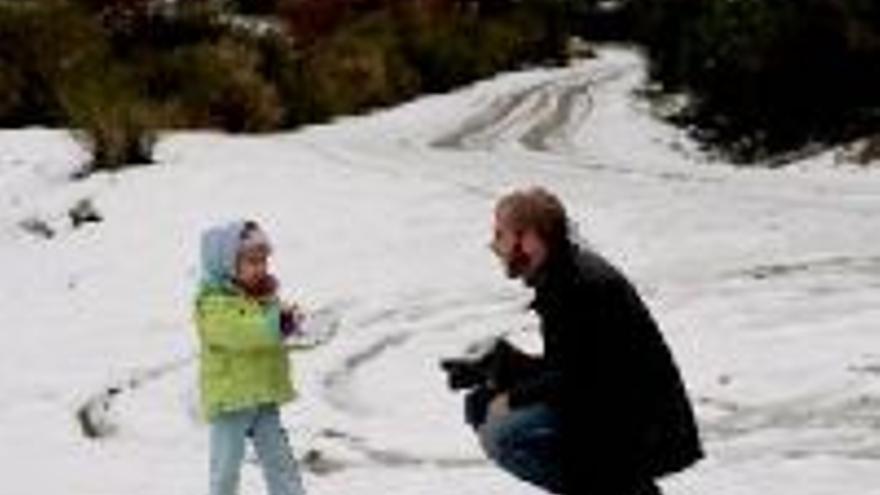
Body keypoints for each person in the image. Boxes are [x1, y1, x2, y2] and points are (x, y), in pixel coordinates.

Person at [480, 187, 703, 495]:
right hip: (617, 413)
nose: (494, 245)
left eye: (500, 234)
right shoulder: (565, 273)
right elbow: (580, 365)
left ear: (529, 239)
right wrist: (507, 367)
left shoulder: (575, 287)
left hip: (638, 427)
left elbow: (578, 380)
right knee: (483, 405)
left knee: (505, 434)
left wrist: (512, 397)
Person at [194, 220, 307, 495]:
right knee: (226, 468)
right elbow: (241, 333)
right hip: (231, 400)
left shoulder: (265, 298)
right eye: (251, 262)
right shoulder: (212, 304)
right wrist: (275, 324)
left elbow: (270, 335)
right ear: (226, 264)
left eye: (263, 261)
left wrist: (292, 325)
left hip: (263, 396)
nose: (260, 268)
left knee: (281, 461)